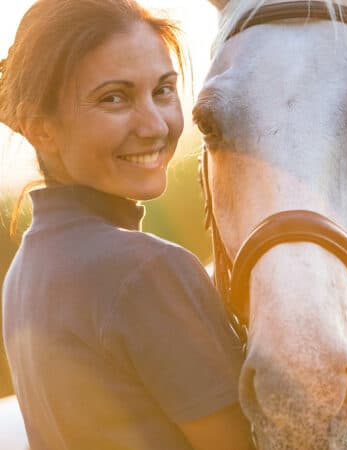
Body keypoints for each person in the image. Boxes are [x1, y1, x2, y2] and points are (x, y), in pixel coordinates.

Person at [0, 1, 252, 449]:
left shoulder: (26, 270)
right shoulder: (147, 270)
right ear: (41, 127)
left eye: (163, 90)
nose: (154, 125)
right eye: (113, 98)